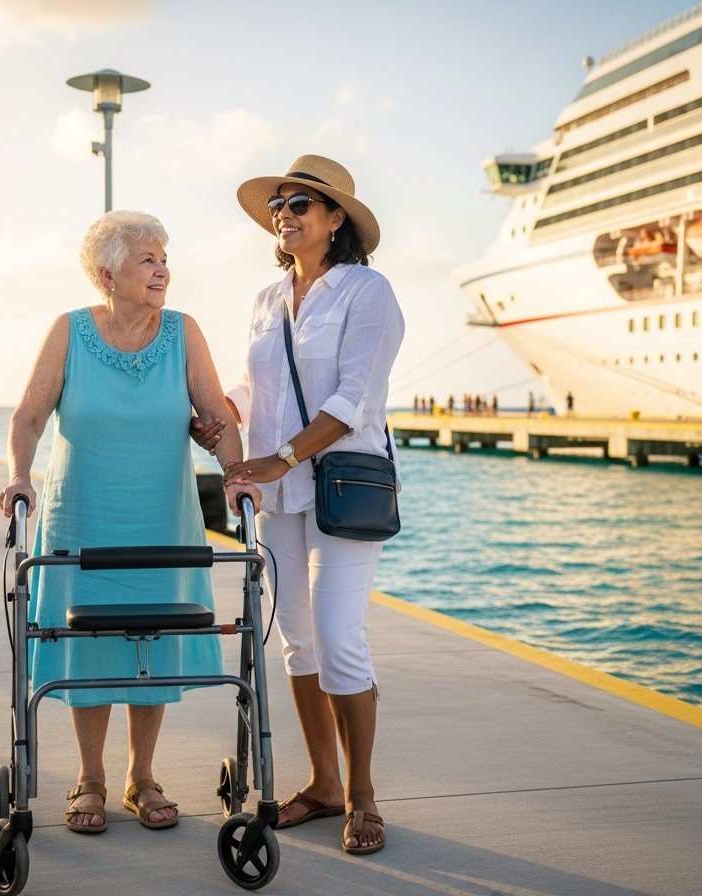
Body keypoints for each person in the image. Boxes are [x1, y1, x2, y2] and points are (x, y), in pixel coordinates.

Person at [0, 210, 254, 835]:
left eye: (165, 256)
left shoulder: (184, 332)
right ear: (107, 272)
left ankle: (143, 776)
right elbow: (28, 416)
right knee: (88, 644)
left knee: (153, 639)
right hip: (82, 516)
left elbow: (216, 415)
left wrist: (237, 474)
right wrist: (19, 475)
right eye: (148, 258)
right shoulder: (69, 331)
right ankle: (90, 778)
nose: (163, 268)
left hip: (162, 517)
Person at [219, 155, 403, 855]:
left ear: (336, 220)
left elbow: (354, 397)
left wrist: (286, 455)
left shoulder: (367, 292)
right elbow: (251, 386)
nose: (285, 214)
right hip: (279, 493)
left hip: (343, 484)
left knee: (338, 633)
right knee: (296, 638)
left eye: (301, 204)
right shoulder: (268, 299)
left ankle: (363, 795)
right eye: (279, 206)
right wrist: (214, 413)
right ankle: (324, 784)